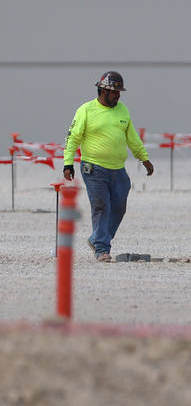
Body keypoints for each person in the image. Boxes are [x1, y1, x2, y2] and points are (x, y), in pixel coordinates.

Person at [62, 71, 155, 262]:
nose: (118, 95)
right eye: (114, 92)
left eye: (119, 92)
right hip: (93, 168)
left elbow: (132, 137)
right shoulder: (86, 110)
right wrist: (68, 163)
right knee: (101, 206)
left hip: (118, 169)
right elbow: (73, 138)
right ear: (103, 90)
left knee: (119, 207)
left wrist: (144, 158)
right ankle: (102, 249)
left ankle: (97, 238)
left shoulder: (122, 110)